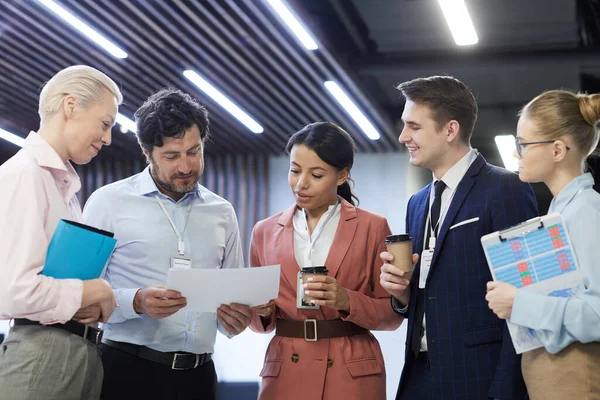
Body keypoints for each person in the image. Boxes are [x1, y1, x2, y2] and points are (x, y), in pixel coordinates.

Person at [82, 88, 253, 400]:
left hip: (199, 377)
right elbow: (80, 293)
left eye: (194, 151)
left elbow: (231, 299)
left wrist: (236, 319)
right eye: (172, 156)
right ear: (147, 153)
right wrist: (135, 301)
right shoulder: (107, 202)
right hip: (126, 371)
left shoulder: (223, 212)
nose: (186, 167)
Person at [379, 76, 539, 400]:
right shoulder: (417, 203)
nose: (402, 136)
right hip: (419, 377)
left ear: (450, 130)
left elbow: (524, 298)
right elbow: (429, 294)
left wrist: (506, 391)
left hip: (479, 378)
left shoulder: (505, 188)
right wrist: (402, 295)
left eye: (414, 126)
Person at [249, 122, 402, 400]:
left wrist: (346, 300)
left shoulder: (373, 227)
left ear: (342, 175)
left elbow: (393, 315)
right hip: (285, 372)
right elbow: (258, 320)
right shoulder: (263, 231)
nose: (301, 183)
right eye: (294, 170)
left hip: (351, 372)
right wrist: (260, 311)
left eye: (316, 174)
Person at [0, 65, 121, 400]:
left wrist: (92, 301)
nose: (108, 138)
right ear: (70, 106)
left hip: (74, 351)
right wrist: (92, 290)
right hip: (43, 356)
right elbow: (13, 292)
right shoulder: (26, 175)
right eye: (105, 123)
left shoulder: (61, 186)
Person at [486, 90, 600, 400]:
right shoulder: (562, 212)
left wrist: (519, 303)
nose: (516, 154)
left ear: (558, 150)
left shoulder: (586, 211)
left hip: (576, 379)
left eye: (522, 144)